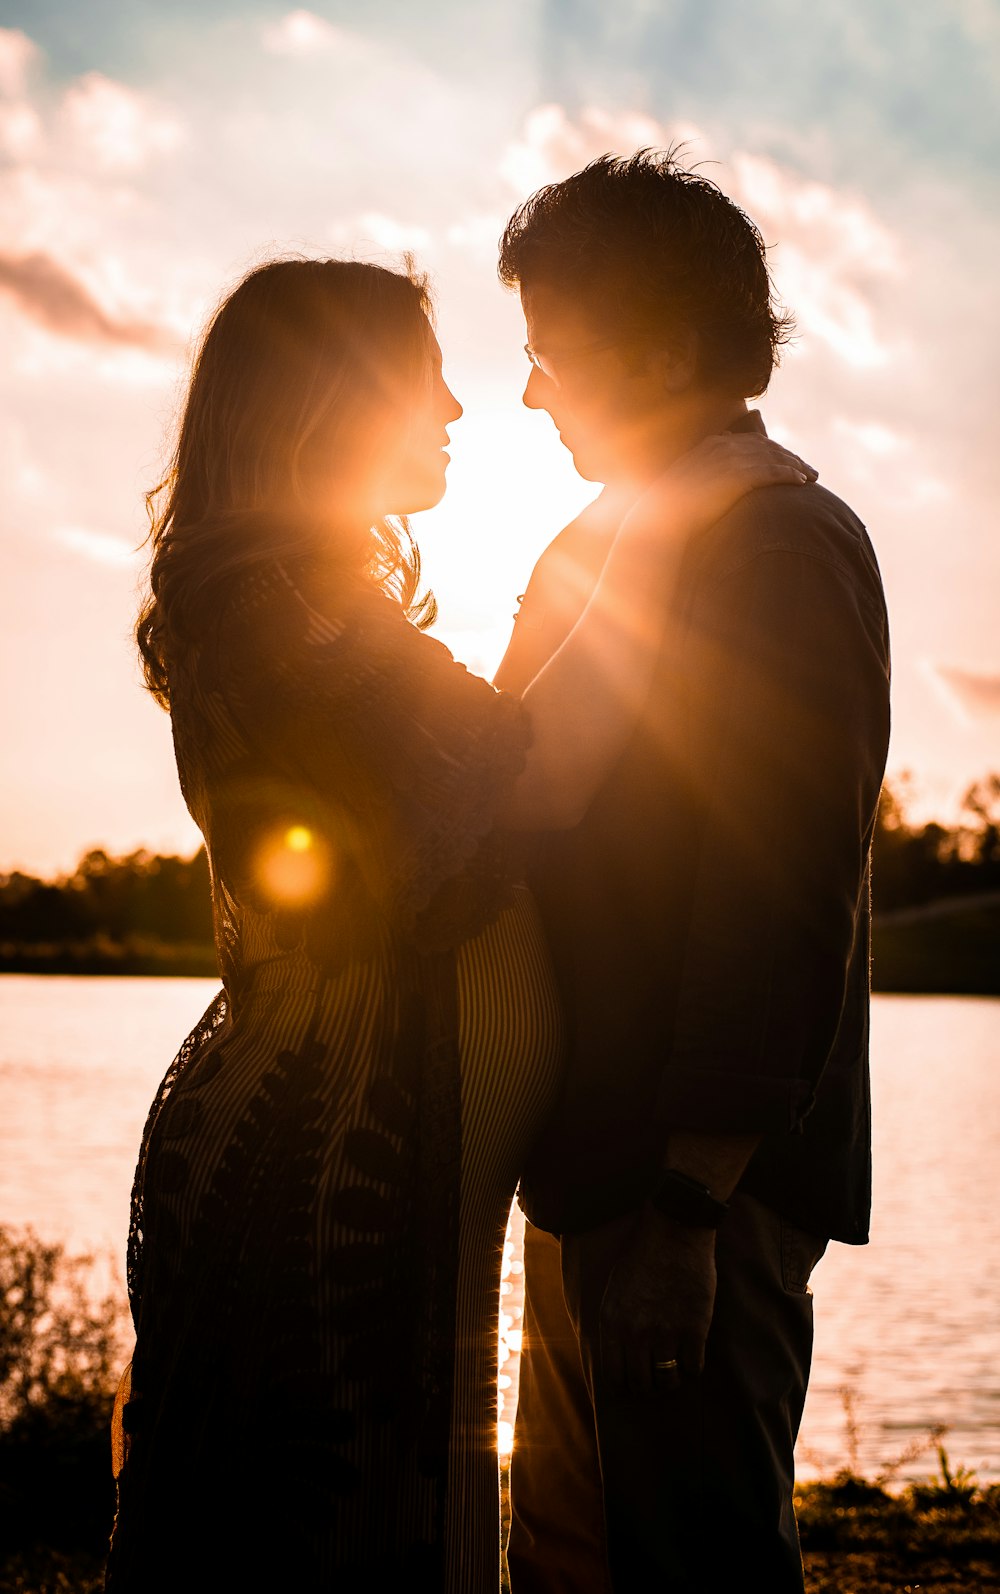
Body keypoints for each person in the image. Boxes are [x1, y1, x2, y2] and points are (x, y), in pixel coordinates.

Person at [103, 256, 808, 1594]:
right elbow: (525, 773)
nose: (454, 405)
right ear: (332, 398)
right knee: (352, 1521)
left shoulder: (301, 605)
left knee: (399, 1503)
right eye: (418, 372)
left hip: (382, 1116)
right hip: (340, 1128)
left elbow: (492, 755)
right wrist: (676, 513)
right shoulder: (271, 611)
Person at [495, 152, 892, 1594]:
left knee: (692, 1555)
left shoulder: (781, 545)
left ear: (661, 348)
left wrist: (688, 1202)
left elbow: (778, 891)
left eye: (552, 353)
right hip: (592, 1153)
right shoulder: (600, 546)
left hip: (690, 1180)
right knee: (576, 1553)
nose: (534, 393)